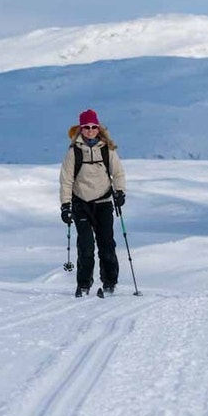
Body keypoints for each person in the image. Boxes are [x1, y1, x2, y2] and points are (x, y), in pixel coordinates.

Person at [60, 108, 126, 297]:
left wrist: (120, 192)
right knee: (86, 246)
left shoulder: (107, 149)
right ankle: (83, 284)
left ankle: (109, 282)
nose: (90, 130)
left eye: (93, 127)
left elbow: (118, 173)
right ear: (80, 129)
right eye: (86, 127)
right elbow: (66, 180)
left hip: (104, 202)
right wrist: (66, 206)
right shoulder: (74, 152)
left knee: (106, 245)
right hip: (81, 204)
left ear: (98, 128)